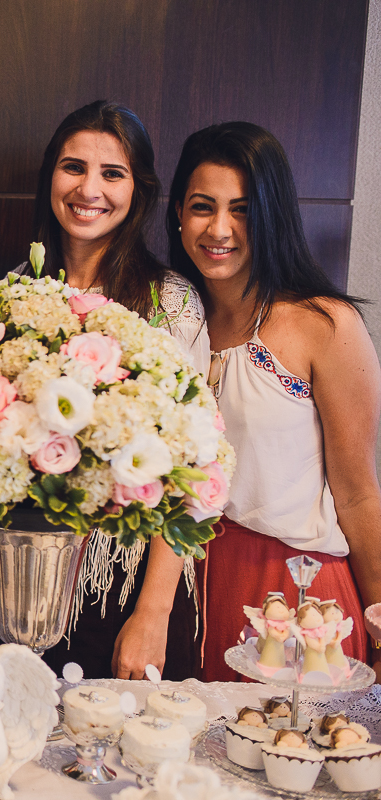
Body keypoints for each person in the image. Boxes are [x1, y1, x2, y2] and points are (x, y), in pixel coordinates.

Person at [0, 100, 208, 681]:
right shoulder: (9, 297)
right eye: (73, 168)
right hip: (22, 574)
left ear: (140, 190)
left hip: (127, 581)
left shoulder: (172, 303)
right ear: (50, 178)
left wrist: (154, 612)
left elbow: (196, 467)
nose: (90, 189)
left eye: (113, 173)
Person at [166, 121, 381, 680]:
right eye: (202, 206)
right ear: (178, 215)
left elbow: (358, 495)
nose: (220, 228)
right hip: (189, 586)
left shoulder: (325, 325)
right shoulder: (174, 322)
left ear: (272, 215)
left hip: (294, 589)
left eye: (242, 209)